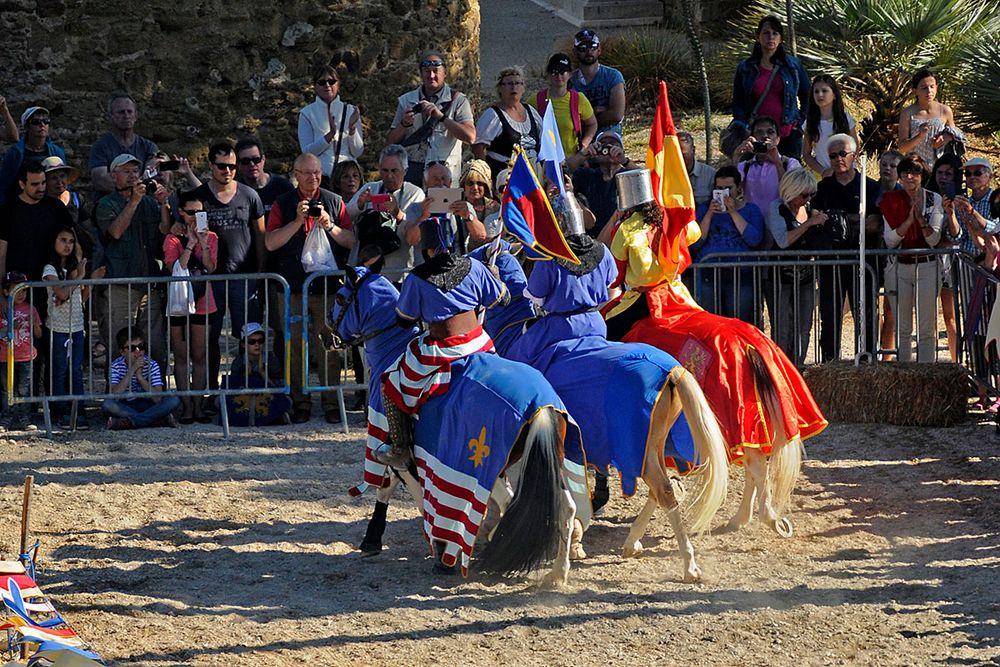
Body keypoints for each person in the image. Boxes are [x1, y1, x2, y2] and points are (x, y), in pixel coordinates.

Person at [265, 153, 353, 424]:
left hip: (327, 288)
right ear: (295, 174)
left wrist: (329, 225)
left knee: (329, 347)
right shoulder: (283, 203)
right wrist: (295, 221)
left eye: (316, 173)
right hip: (291, 288)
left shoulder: (334, 201)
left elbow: (350, 241)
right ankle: (300, 401)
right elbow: (270, 243)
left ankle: (330, 401)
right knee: (294, 347)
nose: (312, 178)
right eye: (306, 173)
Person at [192, 141, 266, 395]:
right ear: (211, 165)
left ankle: (248, 389)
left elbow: (260, 236)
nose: (228, 171)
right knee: (210, 338)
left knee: (250, 338)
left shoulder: (250, 195)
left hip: (244, 278)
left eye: (232, 166)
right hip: (210, 279)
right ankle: (211, 392)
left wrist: (261, 273)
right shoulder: (199, 197)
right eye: (222, 166)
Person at [94, 153, 171, 373]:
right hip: (119, 283)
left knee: (154, 343)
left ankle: (155, 391)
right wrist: (134, 201)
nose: (132, 176)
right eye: (125, 171)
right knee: (118, 342)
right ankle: (117, 395)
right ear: (113, 176)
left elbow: (164, 231)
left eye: (135, 171)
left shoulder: (148, 203)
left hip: (149, 283)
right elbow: (115, 232)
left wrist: (164, 203)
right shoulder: (105, 204)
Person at [811, 133, 882, 362]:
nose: (838, 159)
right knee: (830, 315)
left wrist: (839, 220)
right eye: (832, 156)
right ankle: (830, 361)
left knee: (867, 313)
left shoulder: (869, 187)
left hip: (864, 260)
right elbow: (816, 219)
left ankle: (868, 360)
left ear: (855, 155)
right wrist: (852, 221)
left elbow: (874, 223)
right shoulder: (822, 189)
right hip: (832, 261)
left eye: (843, 153)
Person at [880, 156, 945, 363]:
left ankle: (926, 371)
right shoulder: (891, 200)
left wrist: (920, 220)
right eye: (905, 172)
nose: (909, 176)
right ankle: (904, 372)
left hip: (927, 264)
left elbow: (934, 239)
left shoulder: (934, 199)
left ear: (922, 175)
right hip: (900, 265)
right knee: (902, 326)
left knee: (926, 326)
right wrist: (908, 221)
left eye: (915, 172)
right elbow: (890, 241)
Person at [164, 190, 218, 424]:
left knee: (200, 356)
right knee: (182, 357)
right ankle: (185, 406)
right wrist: (191, 243)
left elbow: (211, 267)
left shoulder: (213, 237)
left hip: (204, 301)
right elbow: (175, 268)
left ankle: (197, 404)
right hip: (179, 303)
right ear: (181, 213)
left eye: (200, 212)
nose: (195, 217)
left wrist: (203, 243)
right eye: (191, 212)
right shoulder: (172, 239)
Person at [386, 50, 475, 186]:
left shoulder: (458, 101)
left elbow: (470, 137)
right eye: (427, 71)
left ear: (444, 72)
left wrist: (441, 117)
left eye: (436, 70)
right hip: (412, 169)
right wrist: (404, 124)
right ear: (421, 74)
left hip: (444, 172)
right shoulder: (407, 100)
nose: (431, 75)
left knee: (444, 207)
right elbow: (391, 142)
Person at [765, 168, 826, 364]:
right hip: (779, 276)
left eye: (812, 194)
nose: (808, 199)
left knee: (804, 326)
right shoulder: (777, 208)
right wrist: (809, 224)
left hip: (806, 276)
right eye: (804, 194)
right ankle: (782, 367)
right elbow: (783, 240)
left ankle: (798, 365)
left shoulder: (810, 209)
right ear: (792, 191)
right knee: (782, 327)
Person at [691, 165, 764, 323]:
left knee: (738, 321)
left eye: (728, 188)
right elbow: (696, 242)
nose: (724, 192)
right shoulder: (704, 209)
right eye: (719, 188)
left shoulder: (751, 210)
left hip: (741, 273)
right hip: (708, 272)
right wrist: (710, 214)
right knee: (709, 322)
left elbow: (755, 239)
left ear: (738, 188)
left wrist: (733, 212)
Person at [731, 16, 810, 160]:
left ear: (781, 38)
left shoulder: (792, 66)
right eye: (766, 33)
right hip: (756, 135)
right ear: (758, 36)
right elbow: (738, 101)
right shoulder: (746, 67)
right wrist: (742, 125)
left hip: (787, 133)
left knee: (789, 177)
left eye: (775, 33)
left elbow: (807, 96)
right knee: (756, 176)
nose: (770, 37)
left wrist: (799, 123)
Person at [346, 144, 425, 276]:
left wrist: (397, 213)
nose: (389, 176)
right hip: (366, 268)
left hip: (399, 269)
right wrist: (359, 205)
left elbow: (415, 230)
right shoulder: (370, 188)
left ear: (405, 170)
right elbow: (345, 217)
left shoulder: (415, 193)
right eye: (384, 170)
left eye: (394, 171)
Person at [43, 225, 92, 430]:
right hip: (57, 328)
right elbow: (61, 294)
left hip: (77, 327)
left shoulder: (73, 269)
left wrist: (87, 279)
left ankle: (78, 411)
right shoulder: (50, 269)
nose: (67, 245)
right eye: (63, 240)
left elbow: (79, 298)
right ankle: (61, 411)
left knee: (76, 370)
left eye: (71, 242)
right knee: (59, 370)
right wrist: (79, 278)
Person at [567, 131, 641, 241]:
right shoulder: (586, 174)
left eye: (613, 144)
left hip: (619, 240)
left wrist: (624, 161)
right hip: (590, 240)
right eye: (602, 144)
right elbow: (564, 168)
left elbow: (646, 180)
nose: (608, 148)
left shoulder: (627, 176)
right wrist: (584, 155)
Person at [473, 66, 543, 181]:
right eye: (509, 83)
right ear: (500, 88)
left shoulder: (531, 111)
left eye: (518, 83)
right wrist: (486, 177)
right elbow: (478, 147)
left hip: (534, 175)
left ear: (523, 88)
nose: (514, 87)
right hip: (506, 178)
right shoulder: (493, 115)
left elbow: (544, 141)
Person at [928, 154, 966, 362]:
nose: (943, 177)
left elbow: (956, 235)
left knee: (951, 317)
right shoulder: (927, 196)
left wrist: (950, 214)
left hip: (950, 262)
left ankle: (956, 361)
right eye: (940, 173)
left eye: (948, 174)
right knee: (928, 316)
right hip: (929, 261)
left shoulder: (960, 199)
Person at [103, 328, 180, 430]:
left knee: (173, 400)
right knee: (107, 405)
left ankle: (131, 421)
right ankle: (156, 420)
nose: (138, 351)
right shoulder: (115, 366)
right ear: (122, 352)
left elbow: (158, 398)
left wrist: (140, 378)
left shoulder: (152, 365)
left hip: (149, 404)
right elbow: (114, 395)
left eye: (141, 347)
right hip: (126, 405)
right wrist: (132, 370)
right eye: (132, 348)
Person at [297, 65, 363, 180]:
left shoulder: (350, 111)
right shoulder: (307, 113)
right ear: (315, 86)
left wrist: (352, 129)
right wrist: (329, 136)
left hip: (348, 178)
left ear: (338, 84)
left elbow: (357, 152)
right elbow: (307, 152)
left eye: (331, 81)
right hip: (323, 177)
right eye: (322, 82)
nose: (327, 85)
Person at [88, 93, 160, 199]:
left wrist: (125, 182)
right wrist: (137, 185)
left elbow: (154, 174)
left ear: (136, 115)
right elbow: (101, 180)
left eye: (129, 111)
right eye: (121, 112)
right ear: (111, 116)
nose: (126, 116)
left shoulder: (148, 147)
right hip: (111, 207)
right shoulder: (101, 147)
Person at [526, 53, 597, 157]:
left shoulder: (578, 99)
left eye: (563, 72)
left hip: (571, 161)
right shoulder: (535, 100)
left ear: (569, 74)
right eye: (555, 73)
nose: (559, 76)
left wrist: (584, 145)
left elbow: (592, 124)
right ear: (549, 75)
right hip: (545, 161)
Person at [222, 322, 291, 426]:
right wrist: (247, 375)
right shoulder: (239, 361)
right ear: (243, 344)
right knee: (219, 402)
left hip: (266, 397)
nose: (257, 344)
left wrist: (262, 373)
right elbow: (233, 388)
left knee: (288, 401)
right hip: (245, 399)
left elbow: (278, 387)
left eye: (260, 341)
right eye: (251, 341)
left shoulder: (270, 358)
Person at [0, 107, 67, 206]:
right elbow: (5, 184)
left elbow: (63, 180)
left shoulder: (56, 152)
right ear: (27, 127)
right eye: (36, 122)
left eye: (46, 121)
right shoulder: (16, 153)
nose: (42, 125)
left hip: (50, 204)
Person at [897, 69, 963, 169]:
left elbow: (955, 135)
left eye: (932, 87)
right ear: (915, 91)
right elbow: (902, 147)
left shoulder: (945, 110)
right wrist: (920, 136)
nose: (929, 91)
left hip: (940, 169)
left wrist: (946, 137)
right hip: (915, 168)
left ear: (936, 88)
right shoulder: (908, 113)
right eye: (924, 88)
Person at [0, 271, 40, 431]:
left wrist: (34, 325)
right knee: (6, 389)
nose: (21, 293)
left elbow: (39, 334)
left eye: (24, 290)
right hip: (5, 357)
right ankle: (6, 419)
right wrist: (9, 328)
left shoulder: (31, 309)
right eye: (17, 289)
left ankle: (25, 418)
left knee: (24, 388)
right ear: (6, 291)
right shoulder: (2, 310)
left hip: (25, 356)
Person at [569, 29, 625, 136]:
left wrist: (587, 120)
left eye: (593, 46)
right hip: (580, 139)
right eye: (583, 48)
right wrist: (596, 112)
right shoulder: (569, 81)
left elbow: (617, 115)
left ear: (599, 50)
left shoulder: (613, 76)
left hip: (609, 135)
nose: (588, 51)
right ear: (575, 52)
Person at [802, 75, 858, 177]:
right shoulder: (810, 123)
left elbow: (855, 147)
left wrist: (844, 167)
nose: (820, 95)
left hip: (846, 174)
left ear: (834, 95)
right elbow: (806, 154)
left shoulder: (846, 119)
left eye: (824, 91)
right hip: (823, 176)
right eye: (816, 91)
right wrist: (823, 171)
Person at [877, 150, 904, 358]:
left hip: (896, 256)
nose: (887, 168)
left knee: (891, 310)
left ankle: (887, 356)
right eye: (884, 164)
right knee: (871, 309)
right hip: (872, 254)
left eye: (892, 166)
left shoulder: (905, 194)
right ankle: (873, 352)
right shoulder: (869, 189)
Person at [235, 137, 294, 219]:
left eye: (256, 159)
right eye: (246, 161)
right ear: (238, 164)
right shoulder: (236, 192)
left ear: (263, 159)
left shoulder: (284, 187)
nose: (252, 164)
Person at [678, 131, 716, 207]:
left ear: (693, 150)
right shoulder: (666, 176)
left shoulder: (710, 174)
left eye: (684, 155)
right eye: (676, 156)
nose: (680, 159)